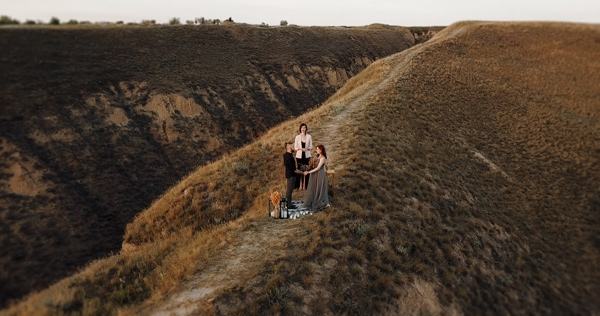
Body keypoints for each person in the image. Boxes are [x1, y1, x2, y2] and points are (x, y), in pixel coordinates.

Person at [303, 144, 330, 212]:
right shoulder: (318, 157)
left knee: (319, 187)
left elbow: (318, 168)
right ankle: (315, 198)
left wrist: (309, 172)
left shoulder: (323, 158)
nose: (316, 150)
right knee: (315, 187)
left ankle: (322, 201)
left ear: (321, 150)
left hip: (320, 174)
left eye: (317, 149)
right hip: (315, 174)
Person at [283, 142, 303, 209]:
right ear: (290, 148)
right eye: (293, 147)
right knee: (289, 191)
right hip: (291, 175)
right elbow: (294, 170)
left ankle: (288, 203)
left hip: (288, 174)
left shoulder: (285, 155)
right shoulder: (290, 157)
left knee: (288, 190)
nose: (294, 148)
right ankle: (289, 205)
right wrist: (303, 173)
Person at [295, 123, 313, 190]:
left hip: (307, 155)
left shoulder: (309, 136)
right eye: (302, 127)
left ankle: (305, 185)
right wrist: (301, 149)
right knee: (299, 170)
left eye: (304, 127)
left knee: (306, 170)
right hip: (299, 155)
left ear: (306, 129)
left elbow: (311, 146)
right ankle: (299, 185)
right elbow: (295, 147)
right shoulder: (297, 137)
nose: (303, 129)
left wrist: (307, 149)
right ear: (300, 129)